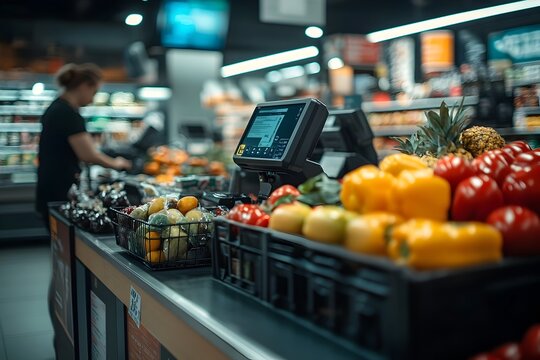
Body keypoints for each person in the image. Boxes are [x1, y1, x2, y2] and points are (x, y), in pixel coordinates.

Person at [36, 63, 131, 225]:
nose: (93, 98)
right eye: (94, 92)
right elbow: (88, 154)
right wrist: (117, 163)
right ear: (84, 86)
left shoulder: (57, 107)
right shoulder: (67, 113)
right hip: (59, 190)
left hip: (50, 187)